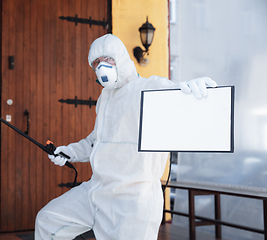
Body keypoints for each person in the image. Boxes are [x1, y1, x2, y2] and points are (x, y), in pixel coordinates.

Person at [35, 34, 217, 240]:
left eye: (107, 59)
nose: (101, 67)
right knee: (48, 220)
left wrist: (195, 93)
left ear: (121, 58)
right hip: (97, 190)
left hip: (134, 200)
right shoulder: (104, 98)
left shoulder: (150, 87)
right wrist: (69, 152)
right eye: (96, 63)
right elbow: (97, 140)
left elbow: (178, 98)